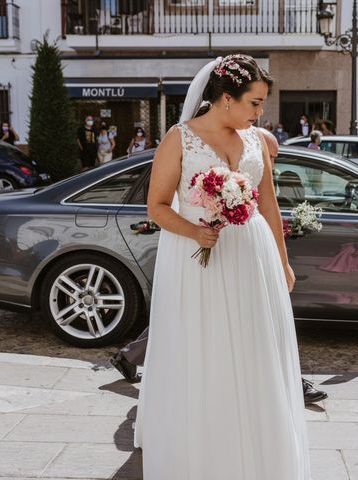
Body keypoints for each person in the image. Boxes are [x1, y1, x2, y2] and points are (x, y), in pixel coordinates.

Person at [133, 54, 311, 479]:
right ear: (226, 99)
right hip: (196, 260)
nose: (260, 112)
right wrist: (195, 232)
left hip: (252, 255)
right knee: (203, 348)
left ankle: (260, 451)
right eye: (255, 102)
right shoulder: (179, 139)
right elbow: (156, 207)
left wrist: (283, 265)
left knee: (254, 349)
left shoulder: (255, 140)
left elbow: (268, 204)